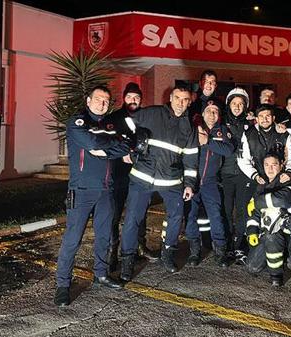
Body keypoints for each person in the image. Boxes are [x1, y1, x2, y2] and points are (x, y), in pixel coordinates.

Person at [54, 85, 129, 307]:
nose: (102, 104)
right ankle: (62, 285)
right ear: (88, 101)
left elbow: (124, 146)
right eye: (98, 99)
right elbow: (92, 143)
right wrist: (110, 146)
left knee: (104, 235)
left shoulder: (110, 124)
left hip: (107, 190)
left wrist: (107, 148)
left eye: (106, 101)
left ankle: (101, 274)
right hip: (82, 191)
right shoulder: (78, 123)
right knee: (72, 239)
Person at [120, 84, 198, 277]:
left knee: (176, 216)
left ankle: (168, 253)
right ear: (170, 97)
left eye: (185, 100)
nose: (181, 103)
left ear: (189, 102)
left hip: (171, 180)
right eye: (178, 98)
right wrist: (128, 148)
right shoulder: (152, 113)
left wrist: (189, 184)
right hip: (142, 176)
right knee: (132, 219)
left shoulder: (189, 126)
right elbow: (125, 123)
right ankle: (127, 261)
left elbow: (190, 156)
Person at [104, 83, 156, 273]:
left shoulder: (146, 117)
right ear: (124, 98)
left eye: (137, 97)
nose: (133, 100)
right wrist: (122, 153)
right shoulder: (113, 119)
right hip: (118, 173)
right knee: (115, 213)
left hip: (140, 172)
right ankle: (112, 252)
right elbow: (107, 143)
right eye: (130, 97)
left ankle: (140, 246)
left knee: (139, 213)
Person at [184, 99, 234, 268]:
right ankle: (194, 251)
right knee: (190, 216)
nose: (212, 115)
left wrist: (208, 142)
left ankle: (220, 252)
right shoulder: (194, 129)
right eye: (209, 111)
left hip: (211, 183)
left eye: (215, 112)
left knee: (216, 216)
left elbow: (228, 150)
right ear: (203, 113)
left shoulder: (222, 131)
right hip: (192, 181)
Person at [245, 153, 291, 286]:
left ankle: (276, 275)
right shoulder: (261, 185)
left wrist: (257, 201)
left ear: (281, 165)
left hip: (286, 236)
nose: (270, 169)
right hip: (266, 233)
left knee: (272, 237)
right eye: (267, 165)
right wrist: (252, 230)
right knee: (252, 267)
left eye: (274, 165)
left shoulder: (287, 182)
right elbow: (255, 213)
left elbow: (281, 199)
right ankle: (274, 258)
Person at [220, 88, 254, 264]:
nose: (237, 107)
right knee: (225, 212)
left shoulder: (251, 124)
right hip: (225, 174)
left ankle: (240, 246)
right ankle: (226, 248)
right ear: (229, 104)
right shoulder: (220, 122)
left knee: (242, 212)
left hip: (244, 175)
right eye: (234, 103)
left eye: (241, 104)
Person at [238, 104, 291, 186]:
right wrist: (255, 175)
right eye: (261, 116)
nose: (264, 119)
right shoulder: (248, 134)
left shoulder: (283, 133)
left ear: (273, 118)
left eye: (268, 116)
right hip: (258, 179)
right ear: (257, 119)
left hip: (281, 179)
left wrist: (289, 172)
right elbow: (243, 159)